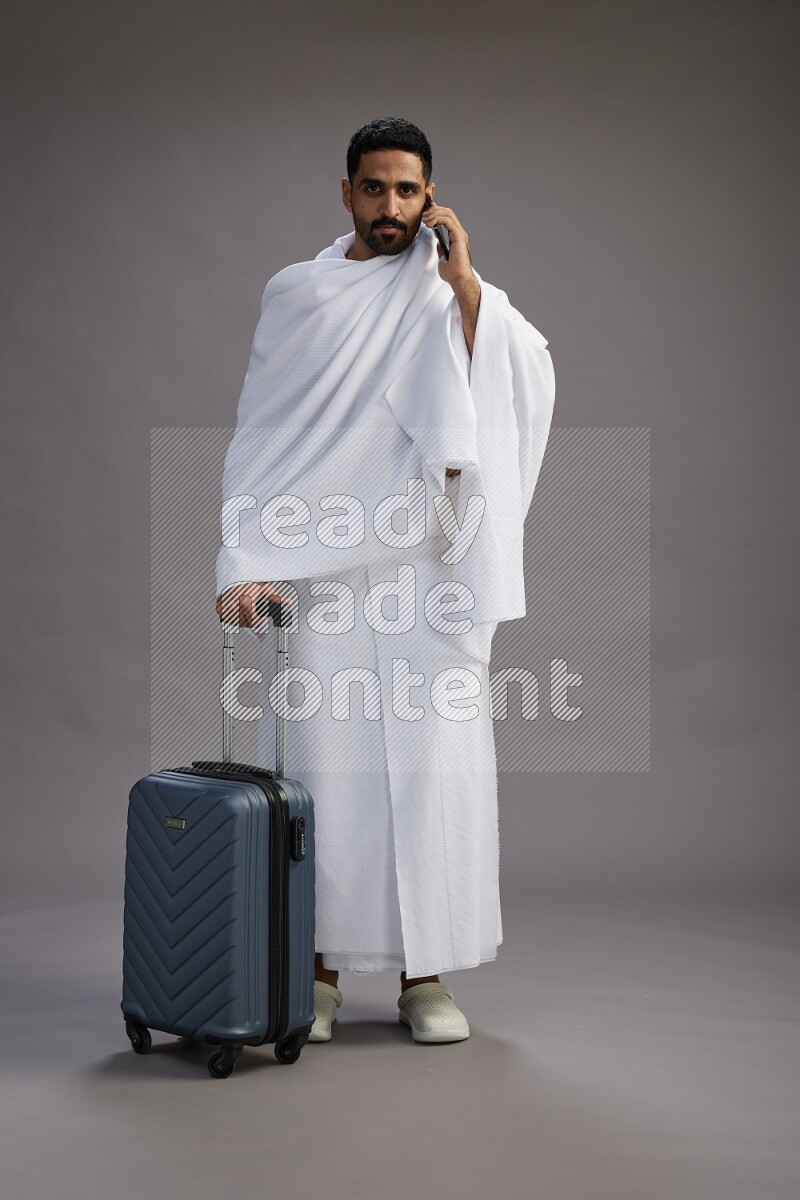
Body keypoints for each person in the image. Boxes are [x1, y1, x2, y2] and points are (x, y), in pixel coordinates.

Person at [215, 117, 555, 1045]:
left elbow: (527, 375)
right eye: (375, 189)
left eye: (408, 190)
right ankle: (318, 974)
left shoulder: (454, 293)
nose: (392, 207)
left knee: (433, 774)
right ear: (347, 194)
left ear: (430, 194)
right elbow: (264, 434)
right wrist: (242, 563)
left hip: (427, 569)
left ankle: (425, 978)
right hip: (322, 569)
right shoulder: (300, 296)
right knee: (327, 769)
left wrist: (468, 288)